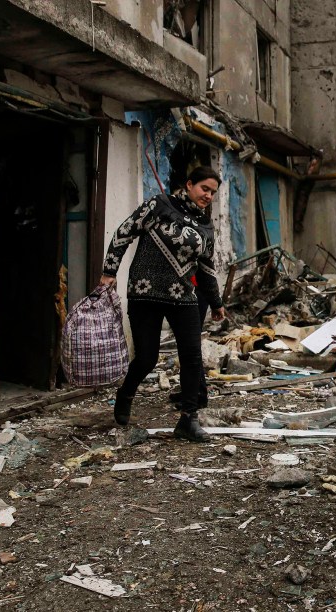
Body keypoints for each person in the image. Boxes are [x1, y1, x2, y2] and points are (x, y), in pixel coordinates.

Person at [100, 166, 227, 442]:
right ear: (189, 184)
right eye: (204, 189)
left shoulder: (205, 225)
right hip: (145, 293)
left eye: (213, 193)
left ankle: (188, 420)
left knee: (192, 357)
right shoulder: (159, 205)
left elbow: (206, 267)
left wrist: (216, 303)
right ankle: (126, 393)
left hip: (183, 297)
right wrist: (110, 272)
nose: (208, 196)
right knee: (147, 357)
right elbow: (124, 232)